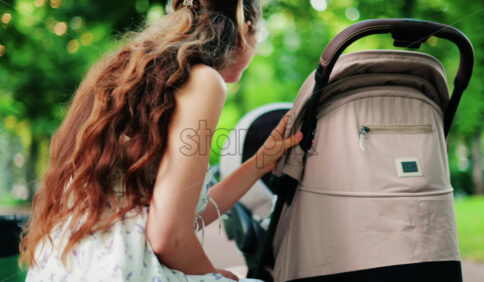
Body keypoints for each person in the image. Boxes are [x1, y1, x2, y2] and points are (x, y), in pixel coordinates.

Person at [18, 0, 303, 281]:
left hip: (68, 267)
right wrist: (214, 274)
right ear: (245, 29)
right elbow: (169, 236)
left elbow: (182, 215)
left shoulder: (129, 75)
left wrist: (260, 162)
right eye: (260, 37)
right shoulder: (205, 80)